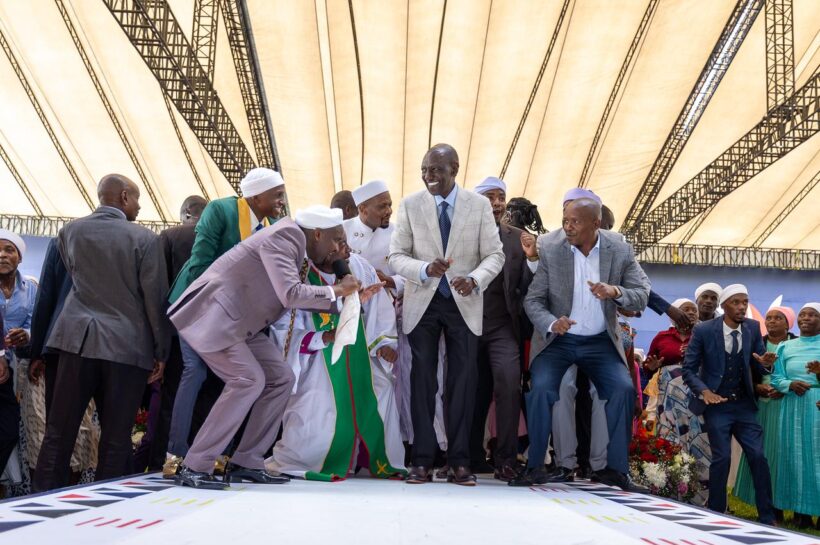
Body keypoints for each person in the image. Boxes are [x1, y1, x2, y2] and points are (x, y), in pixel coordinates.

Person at [168, 205, 360, 489]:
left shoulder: (297, 244)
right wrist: (338, 290)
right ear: (318, 233)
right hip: (216, 317)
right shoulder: (286, 237)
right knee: (247, 379)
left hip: (242, 323)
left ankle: (246, 461)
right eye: (337, 240)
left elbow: (294, 295)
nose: (341, 249)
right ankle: (195, 465)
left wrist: (348, 301)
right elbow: (291, 293)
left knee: (281, 378)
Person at [33, 174, 171, 492]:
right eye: (136, 199)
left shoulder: (69, 232)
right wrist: (161, 352)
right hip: (126, 346)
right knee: (116, 435)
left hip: (74, 340)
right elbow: (155, 299)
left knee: (58, 432)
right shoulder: (145, 238)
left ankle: (41, 501)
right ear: (124, 197)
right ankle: (105, 506)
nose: (138, 206)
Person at [511, 197, 650, 489]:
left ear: (595, 224)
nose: (567, 227)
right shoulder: (550, 247)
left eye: (575, 222)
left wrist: (615, 291)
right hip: (559, 340)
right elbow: (533, 300)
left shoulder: (619, 248)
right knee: (541, 390)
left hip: (600, 341)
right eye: (565, 220)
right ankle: (535, 466)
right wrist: (552, 322)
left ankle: (616, 470)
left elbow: (642, 292)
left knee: (623, 390)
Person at [389, 143, 504, 486]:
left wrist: (475, 279)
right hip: (423, 300)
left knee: (462, 383)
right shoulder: (410, 205)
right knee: (422, 381)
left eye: (436, 170)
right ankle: (422, 460)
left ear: (454, 168)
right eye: (424, 170)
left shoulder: (479, 205)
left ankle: (459, 461)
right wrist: (424, 268)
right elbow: (396, 256)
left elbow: (494, 256)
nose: (428, 177)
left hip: (464, 302)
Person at [164, 169, 285, 477]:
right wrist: (208, 312)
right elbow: (201, 261)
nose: (283, 200)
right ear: (257, 196)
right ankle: (176, 455)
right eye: (278, 194)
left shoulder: (269, 225)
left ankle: (230, 458)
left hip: (237, 318)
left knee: (252, 379)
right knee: (197, 372)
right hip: (198, 308)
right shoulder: (222, 209)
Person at [267, 246, 405, 480]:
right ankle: (318, 459)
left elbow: (378, 309)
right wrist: (323, 337)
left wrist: (383, 344)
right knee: (320, 398)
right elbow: (284, 330)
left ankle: (373, 460)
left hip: (359, 353)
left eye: (344, 239)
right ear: (319, 238)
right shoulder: (297, 275)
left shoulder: (358, 266)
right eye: (338, 241)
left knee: (381, 388)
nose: (346, 247)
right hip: (314, 360)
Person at [343, 181, 447, 454]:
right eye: (382, 206)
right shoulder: (343, 231)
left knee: (404, 381)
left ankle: (408, 443)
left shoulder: (401, 232)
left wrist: (390, 280)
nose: (389, 210)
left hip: (393, 317)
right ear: (362, 209)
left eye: (390, 204)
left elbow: (415, 270)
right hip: (351, 319)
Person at [681, 284, 777, 525]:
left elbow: (758, 363)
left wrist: (765, 364)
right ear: (724, 306)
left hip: (744, 405)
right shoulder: (703, 330)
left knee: (758, 456)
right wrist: (704, 391)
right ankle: (716, 513)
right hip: (717, 405)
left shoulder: (753, 328)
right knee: (721, 458)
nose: (742, 306)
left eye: (745, 302)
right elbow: (688, 370)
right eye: (736, 302)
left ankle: (767, 516)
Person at [470, 177, 535, 481]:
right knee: (469, 390)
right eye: (490, 196)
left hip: (502, 328)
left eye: (501, 197)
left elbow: (528, 286)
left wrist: (533, 260)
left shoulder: (519, 239)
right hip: (467, 327)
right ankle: (467, 456)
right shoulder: (459, 235)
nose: (496, 203)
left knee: (509, 386)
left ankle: (506, 459)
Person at [141, 195, 207, 472]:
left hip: (174, 331)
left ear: (185, 213)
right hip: (212, 331)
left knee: (170, 399)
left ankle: (162, 463)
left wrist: (159, 345)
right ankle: (200, 460)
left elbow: (158, 290)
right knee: (204, 398)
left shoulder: (169, 236)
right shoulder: (224, 236)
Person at [645, 297, 711, 504]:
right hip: (669, 404)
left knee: (700, 444)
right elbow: (647, 370)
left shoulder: (705, 336)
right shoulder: (662, 337)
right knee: (670, 442)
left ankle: (700, 497)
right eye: (685, 309)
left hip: (697, 402)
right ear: (674, 314)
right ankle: (669, 492)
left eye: (693, 310)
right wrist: (651, 367)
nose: (691, 313)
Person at [734, 305, 796, 520]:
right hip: (761, 405)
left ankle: (798, 510)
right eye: (768, 318)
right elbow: (745, 371)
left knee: (787, 454)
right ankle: (772, 507)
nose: (771, 321)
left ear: (789, 323)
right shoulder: (756, 341)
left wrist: (783, 389)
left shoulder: (795, 344)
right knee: (765, 454)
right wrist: (756, 387)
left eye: (778, 318)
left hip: (788, 404)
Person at [769, 302, 820, 527]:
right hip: (792, 406)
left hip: (817, 405)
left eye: (812, 315)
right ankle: (801, 512)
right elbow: (776, 378)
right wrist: (789, 384)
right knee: (794, 458)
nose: (806, 318)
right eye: (802, 314)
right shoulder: (785, 347)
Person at [0, 230, 36, 491]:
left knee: (12, 430)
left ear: (20, 257)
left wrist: (27, 334)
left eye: (9, 250)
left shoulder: (31, 287)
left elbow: (37, 320)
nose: (2, 255)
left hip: (18, 369)